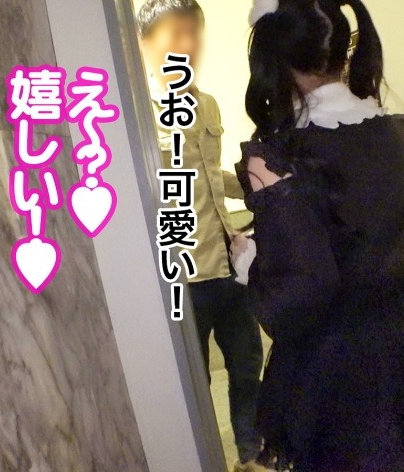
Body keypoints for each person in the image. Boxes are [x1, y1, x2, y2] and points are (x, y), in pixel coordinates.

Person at [237, 0, 404, 470]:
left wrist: (248, 263)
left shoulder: (278, 153)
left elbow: (299, 296)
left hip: (338, 360)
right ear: (343, 47)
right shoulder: (393, 129)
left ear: (276, 59)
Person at [136, 2, 269, 471]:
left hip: (228, 263)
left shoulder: (206, 103)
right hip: (183, 274)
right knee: (192, 383)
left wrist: (257, 189)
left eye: (195, 34)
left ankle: (251, 458)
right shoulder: (137, 112)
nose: (188, 45)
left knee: (247, 368)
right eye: (176, 35)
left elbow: (209, 176)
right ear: (145, 44)